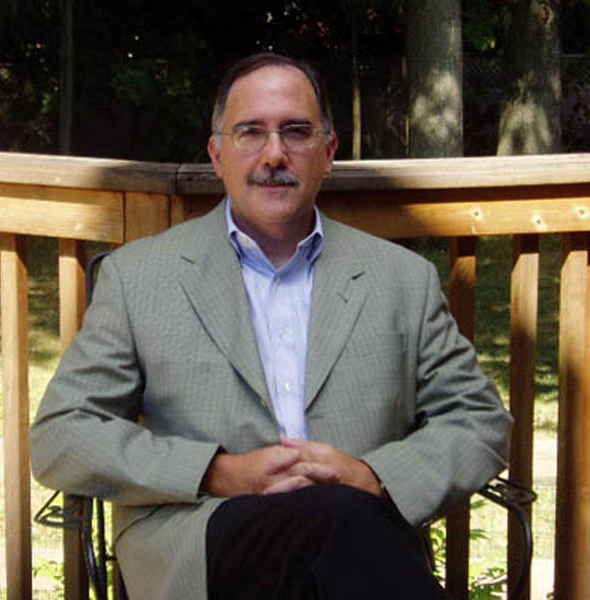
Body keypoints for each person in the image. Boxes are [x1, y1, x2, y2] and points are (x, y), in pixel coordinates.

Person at [30, 53, 512, 600]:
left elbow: (478, 420)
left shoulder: (400, 279)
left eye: (297, 132)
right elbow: (61, 434)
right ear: (217, 155)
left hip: (359, 548)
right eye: (251, 132)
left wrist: (371, 477)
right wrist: (217, 472)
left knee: (340, 519)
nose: (275, 154)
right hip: (204, 538)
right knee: (337, 521)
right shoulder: (141, 276)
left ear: (329, 153)